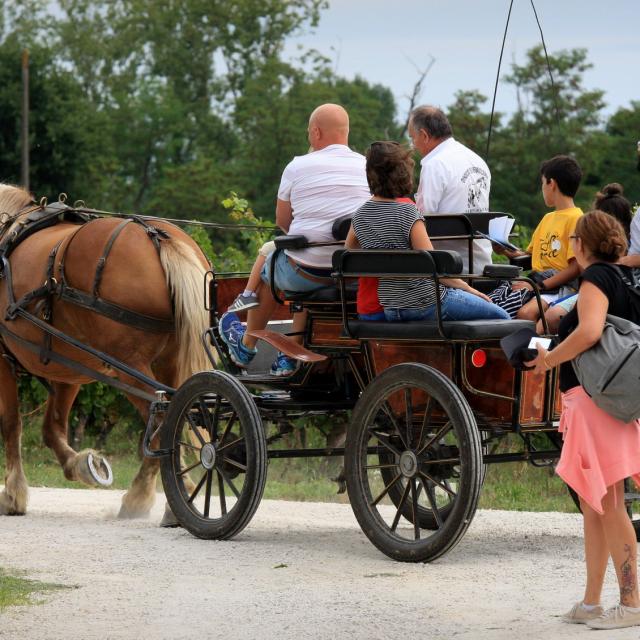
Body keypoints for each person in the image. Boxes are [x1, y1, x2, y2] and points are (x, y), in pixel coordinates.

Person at [527, 211, 640, 630]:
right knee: (595, 505)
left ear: (580, 244)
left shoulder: (596, 280)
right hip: (607, 401)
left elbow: (590, 331)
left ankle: (631, 603)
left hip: (595, 403)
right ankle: (592, 601)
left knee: (609, 504)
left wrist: (549, 359)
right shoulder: (625, 279)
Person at [220, 103, 370, 374]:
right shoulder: (368, 166)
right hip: (354, 274)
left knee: (273, 269)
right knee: (301, 267)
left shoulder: (297, 166)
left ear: (315, 132)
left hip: (306, 273)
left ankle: (246, 346)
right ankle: (289, 356)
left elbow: (282, 222)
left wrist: (309, 239)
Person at [345, 141, 509, 322]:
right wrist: (468, 289)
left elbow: (349, 258)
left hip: (391, 308)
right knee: (503, 317)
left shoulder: (360, 215)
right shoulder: (407, 212)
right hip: (426, 303)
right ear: (403, 175)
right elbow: (433, 265)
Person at [408, 105, 493, 273]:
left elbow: (422, 220)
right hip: (482, 265)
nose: (413, 145)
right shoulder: (477, 160)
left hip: (450, 269)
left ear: (424, 135)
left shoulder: (434, 164)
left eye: (413, 138)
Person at [540, 183, 634, 333]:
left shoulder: (596, 276)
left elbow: (589, 334)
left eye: (573, 237)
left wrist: (549, 357)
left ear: (581, 242)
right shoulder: (622, 273)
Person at [499, 155, 583, 322]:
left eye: (543, 183)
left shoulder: (577, 218)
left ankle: (532, 347)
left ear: (551, 184)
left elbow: (575, 268)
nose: (542, 188)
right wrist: (505, 251)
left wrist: (538, 286)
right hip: (538, 281)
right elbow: (531, 257)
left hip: (560, 287)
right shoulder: (547, 218)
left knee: (526, 313)